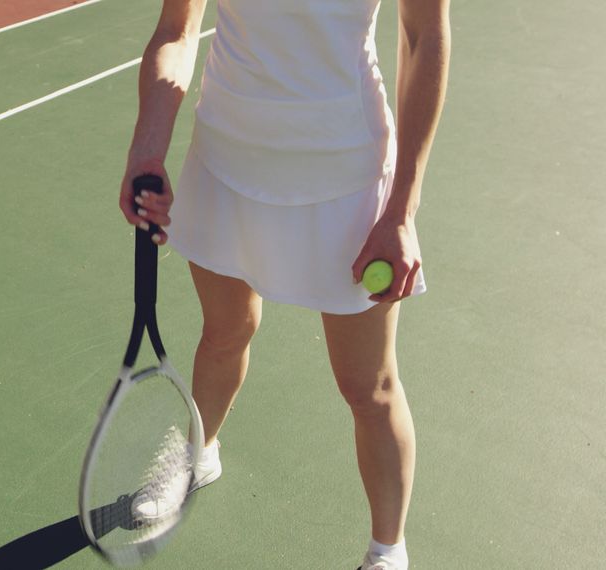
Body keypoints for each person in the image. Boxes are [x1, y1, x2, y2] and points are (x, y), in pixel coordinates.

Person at [119, 0, 450, 568]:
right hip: (227, 160)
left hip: (346, 173)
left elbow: (424, 38)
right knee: (224, 333)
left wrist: (402, 210)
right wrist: (148, 145)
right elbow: (177, 29)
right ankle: (198, 454)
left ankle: (387, 549)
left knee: (367, 386)